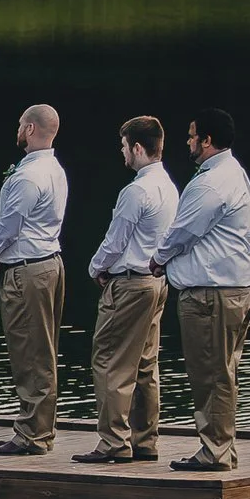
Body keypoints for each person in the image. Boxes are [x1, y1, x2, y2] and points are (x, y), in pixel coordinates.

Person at [153, 109, 250, 471]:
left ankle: (214, 451)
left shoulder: (210, 182)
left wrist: (157, 260)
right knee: (224, 371)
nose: (188, 141)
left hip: (212, 294)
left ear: (207, 141)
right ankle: (223, 448)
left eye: (192, 135)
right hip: (237, 288)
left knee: (210, 374)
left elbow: (182, 232)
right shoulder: (235, 173)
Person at [74, 116, 179, 464]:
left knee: (109, 361)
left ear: (137, 147)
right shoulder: (169, 186)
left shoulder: (136, 190)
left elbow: (116, 240)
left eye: (123, 146)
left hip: (130, 283)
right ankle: (145, 439)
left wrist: (95, 267)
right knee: (147, 363)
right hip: (157, 283)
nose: (122, 153)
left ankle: (113, 442)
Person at [0, 103, 70, 455]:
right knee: (41, 350)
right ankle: (37, 428)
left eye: (20, 124)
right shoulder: (55, 169)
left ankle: (33, 433)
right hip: (49, 263)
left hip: (27, 271)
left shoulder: (28, 176)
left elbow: (9, 226)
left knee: (30, 352)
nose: (17, 129)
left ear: (30, 129)